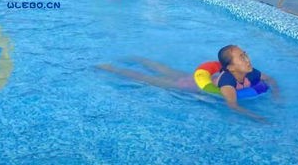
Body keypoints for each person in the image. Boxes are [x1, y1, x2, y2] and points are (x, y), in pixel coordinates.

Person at [98, 46, 278, 122]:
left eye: (245, 55)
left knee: (168, 70)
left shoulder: (251, 72)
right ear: (230, 67)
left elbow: (270, 79)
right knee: (147, 79)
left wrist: (278, 95)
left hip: (194, 79)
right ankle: (111, 68)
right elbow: (233, 105)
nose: (247, 59)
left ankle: (138, 59)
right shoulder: (227, 83)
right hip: (187, 86)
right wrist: (257, 117)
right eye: (242, 57)